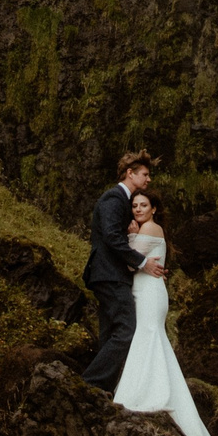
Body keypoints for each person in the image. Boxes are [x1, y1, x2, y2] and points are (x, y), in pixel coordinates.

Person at [111, 186, 218, 436]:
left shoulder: (150, 229)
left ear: (154, 209)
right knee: (147, 338)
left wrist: (130, 235)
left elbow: (127, 261)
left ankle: (146, 393)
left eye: (143, 205)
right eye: (134, 206)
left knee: (148, 336)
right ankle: (146, 389)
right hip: (145, 289)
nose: (138, 210)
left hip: (149, 292)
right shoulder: (147, 230)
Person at [81, 150, 159, 391]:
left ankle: (99, 389)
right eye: (145, 174)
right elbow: (112, 237)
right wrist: (143, 262)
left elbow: (115, 235)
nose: (148, 180)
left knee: (110, 332)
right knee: (126, 329)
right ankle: (89, 383)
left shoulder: (122, 202)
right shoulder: (114, 199)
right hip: (110, 274)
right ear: (130, 173)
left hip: (108, 273)